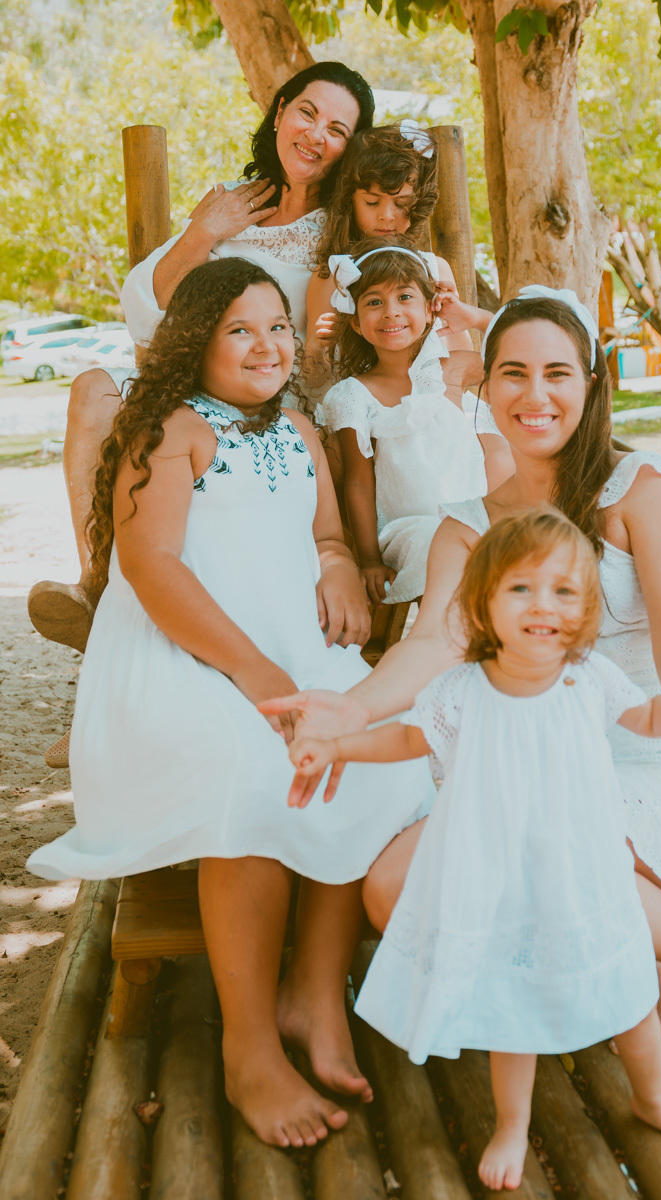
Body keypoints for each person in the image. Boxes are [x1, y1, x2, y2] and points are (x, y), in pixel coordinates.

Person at [262, 286, 661, 1089]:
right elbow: (436, 640)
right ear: (484, 387)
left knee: (559, 852)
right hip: (526, 760)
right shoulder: (468, 523)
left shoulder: (645, 490)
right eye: (512, 374)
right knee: (395, 884)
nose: (534, 396)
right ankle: (622, 970)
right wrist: (355, 705)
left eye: (557, 374)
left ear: (591, 383)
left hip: (656, 749)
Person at [27, 258, 436, 1148]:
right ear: (196, 342)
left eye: (280, 326)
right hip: (181, 663)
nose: (268, 345)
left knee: (360, 755)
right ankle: (248, 1049)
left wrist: (336, 568)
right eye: (240, 329)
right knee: (254, 775)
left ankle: (314, 998)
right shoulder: (168, 428)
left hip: (289, 656)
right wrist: (255, 679)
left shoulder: (296, 426)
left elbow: (327, 531)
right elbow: (153, 568)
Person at [288, 507, 661, 1186]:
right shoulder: (464, 689)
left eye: (564, 591)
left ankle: (651, 1100)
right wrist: (336, 744)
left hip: (587, 873)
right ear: (484, 603)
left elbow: (650, 717)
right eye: (520, 589)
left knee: (631, 1001)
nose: (543, 606)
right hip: (502, 879)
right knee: (513, 1013)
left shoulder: (588, 679)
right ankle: (512, 1126)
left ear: (585, 608)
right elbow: (407, 738)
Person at [29, 60, 374, 654]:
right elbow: (145, 308)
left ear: (349, 149)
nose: (317, 135)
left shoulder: (343, 228)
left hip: (277, 389)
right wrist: (202, 233)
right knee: (92, 387)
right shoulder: (236, 206)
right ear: (280, 115)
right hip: (192, 380)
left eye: (338, 130)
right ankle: (95, 589)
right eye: (308, 113)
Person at [320, 239, 512, 604]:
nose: (391, 312)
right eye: (374, 302)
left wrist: (474, 317)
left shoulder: (452, 371)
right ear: (357, 324)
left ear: (429, 310)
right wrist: (370, 560)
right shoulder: (353, 395)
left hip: (475, 519)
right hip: (409, 531)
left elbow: (519, 352)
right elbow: (359, 484)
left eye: (404, 297)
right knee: (440, 543)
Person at [304, 122, 471, 389]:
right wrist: (316, 348)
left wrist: (453, 314)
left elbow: (463, 370)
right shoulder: (334, 275)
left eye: (402, 203)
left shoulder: (434, 269)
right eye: (372, 202)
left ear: (419, 203)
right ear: (350, 200)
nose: (387, 215)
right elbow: (314, 380)